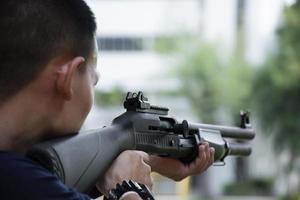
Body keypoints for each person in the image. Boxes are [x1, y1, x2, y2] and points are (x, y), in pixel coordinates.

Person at [0, 0, 215, 199]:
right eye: (93, 76)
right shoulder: (22, 181)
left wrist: (150, 161)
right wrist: (130, 189)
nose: (96, 80)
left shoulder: (18, 171)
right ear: (68, 78)